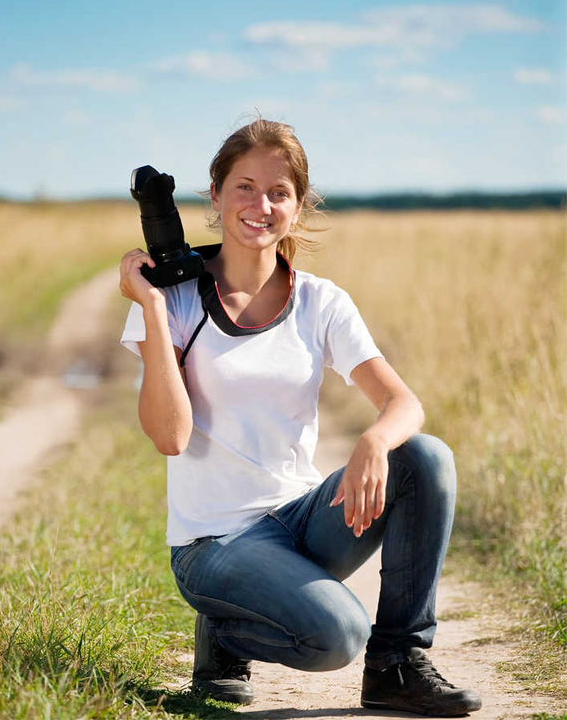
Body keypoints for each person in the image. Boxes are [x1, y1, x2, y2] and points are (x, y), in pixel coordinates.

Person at [117, 118, 482, 716]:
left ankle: (397, 665)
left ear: (298, 205)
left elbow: (404, 404)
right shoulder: (176, 300)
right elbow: (169, 435)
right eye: (244, 186)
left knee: (425, 456)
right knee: (337, 636)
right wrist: (154, 311)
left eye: (279, 192)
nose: (260, 205)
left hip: (300, 523)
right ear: (214, 195)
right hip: (214, 544)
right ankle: (224, 630)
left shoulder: (320, 301)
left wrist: (373, 440)